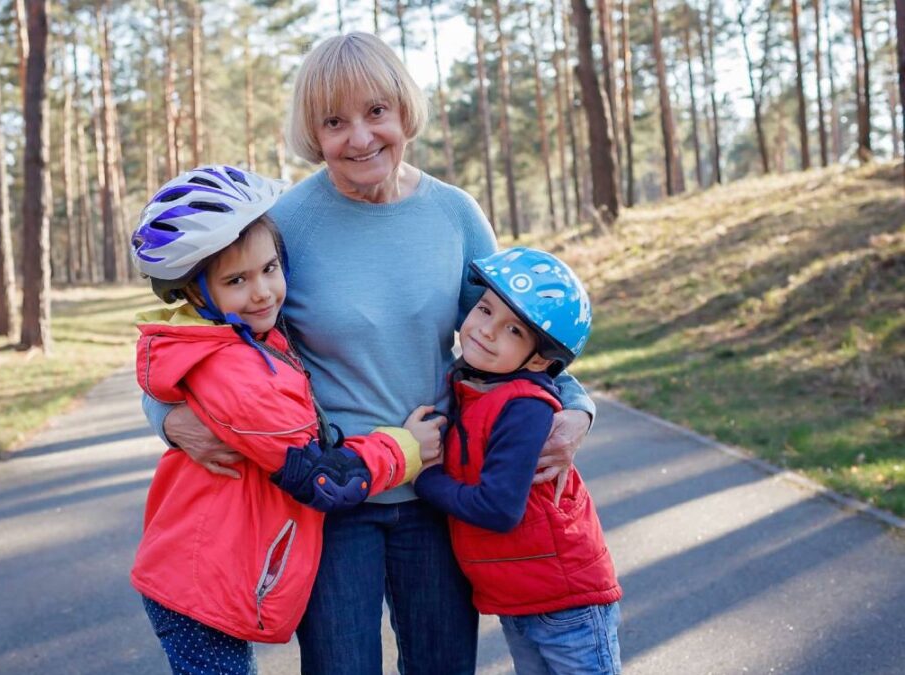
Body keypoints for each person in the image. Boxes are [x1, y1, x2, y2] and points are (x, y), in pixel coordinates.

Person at [141, 33, 598, 674]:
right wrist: (166, 418)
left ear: (404, 112)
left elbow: (518, 328)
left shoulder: (455, 215)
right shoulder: (285, 223)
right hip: (332, 501)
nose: (360, 138)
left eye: (376, 112)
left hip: (440, 492)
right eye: (335, 121)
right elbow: (202, 336)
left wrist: (577, 408)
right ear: (313, 132)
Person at [128, 164, 443, 674]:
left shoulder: (239, 338)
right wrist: (405, 448)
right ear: (193, 294)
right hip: (198, 588)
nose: (262, 293)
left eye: (269, 269)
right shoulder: (234, 369)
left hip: (200, 576)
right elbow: (321, 477)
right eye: (236, 280)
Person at [414, 247, 622, 675]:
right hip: (521, 598)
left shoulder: (524, 407)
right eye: (485, 310)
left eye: (513, 331)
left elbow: (499, 508)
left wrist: (425, 478)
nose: (487, 331)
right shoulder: (473, 387)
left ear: (541, 360)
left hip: (566, 603)